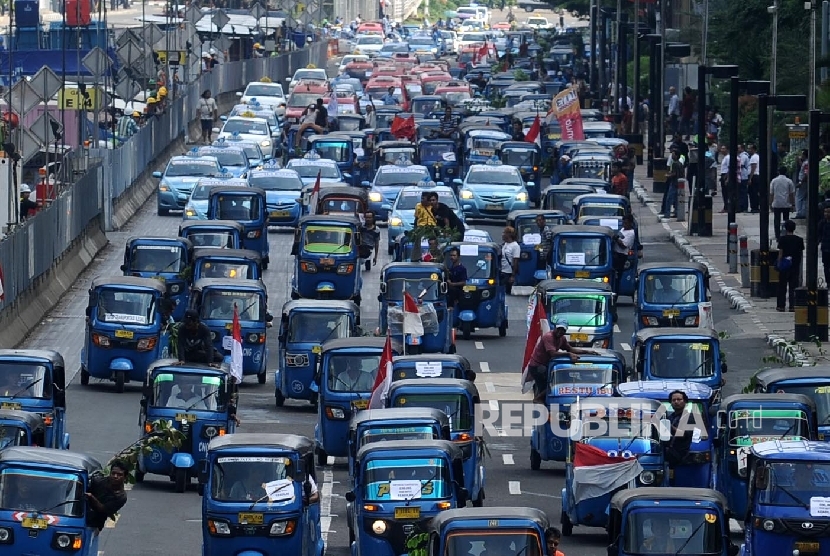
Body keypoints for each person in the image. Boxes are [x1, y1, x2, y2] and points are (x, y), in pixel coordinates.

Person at [527, 319, 598, 402]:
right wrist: (568, 354)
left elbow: (570, 349)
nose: (560, 331)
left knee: (554, 382)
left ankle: (541, 399)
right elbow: (552, 353)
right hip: (537, 365)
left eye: (563, 330)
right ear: (555, 328)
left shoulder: (562, 338)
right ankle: (538, 400)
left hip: (546, 364)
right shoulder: (548, 337)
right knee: (548, 385)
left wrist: (587, 352)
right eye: (559, 329)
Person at [86, 460, 128, 532]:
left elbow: (103, 510)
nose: (115, 476)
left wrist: (91, 497)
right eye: (113, 473)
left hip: (94, 525)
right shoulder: (99, 481)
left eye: (119, 475)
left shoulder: (121, 497)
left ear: (125, 477)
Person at [777, 220, 804, 313]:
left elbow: (780, 253)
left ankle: (781, 305)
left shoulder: (782, 239)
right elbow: (800, 253)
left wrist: (779, 262)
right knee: (793, 286)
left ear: (785, 228)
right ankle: (792, 305)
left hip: (785, 265)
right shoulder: (799, 240)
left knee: (782, 286)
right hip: (795, 265)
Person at [664, 390, 694, 471]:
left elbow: (683, 435)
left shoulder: (690, 417)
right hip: (668, 456)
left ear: (685, 401)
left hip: (681, 457)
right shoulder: (671, 417)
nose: (676, 402)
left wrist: (668, 426)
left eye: (679, 399)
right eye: (673, 400)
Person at [770, 165, 795, 241]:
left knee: (776, 220)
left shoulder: (774, 180)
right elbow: (791, 194)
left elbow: (771, 193)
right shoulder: (789, 181)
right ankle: (786, 234)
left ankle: (777, 235)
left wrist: (770, 203)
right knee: (786, 220)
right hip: (786, 203)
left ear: (778, 172)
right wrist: (793, 204)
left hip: (777, 203)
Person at [612, 215, 635, 284]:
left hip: (621, 256)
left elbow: (624, 246)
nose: (624, 225)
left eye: (626, 223)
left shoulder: (631, 233)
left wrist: (616, 239)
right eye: (623, 223)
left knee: (618, 274)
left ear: (630, 223)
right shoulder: (623, 229)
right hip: (616, 253)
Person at [445, 247, 467, 313]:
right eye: (451, 255)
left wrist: (452, 284)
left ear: (458, 256)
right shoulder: (450, 268)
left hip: (458, 293)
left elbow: (463, 282)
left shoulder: (462, 269)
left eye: (454, 255)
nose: (452, 257)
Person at [500, 226, 520, 295]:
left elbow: (515, 261)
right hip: (502, 270)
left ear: (509, 234)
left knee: (506, 292)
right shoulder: (505, 244)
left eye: (504, 233)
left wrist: (513, 276)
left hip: (508, 272)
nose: (502, 235)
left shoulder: (515, 246)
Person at [820, 206, 830, 287]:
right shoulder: (822, 223)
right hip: (825, 248)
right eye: (825, 212)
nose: (826, 214)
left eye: (828, 212)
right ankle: (828, 282)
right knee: (826, 266)